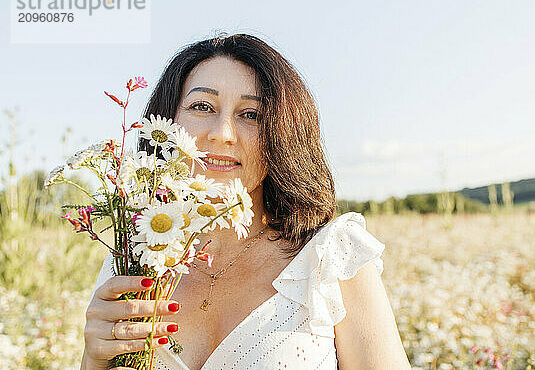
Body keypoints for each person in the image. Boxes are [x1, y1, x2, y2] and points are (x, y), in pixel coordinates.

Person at [80, 33, 412, 370]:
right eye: (202, 106)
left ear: (282, 134)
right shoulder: (131, 261)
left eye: (250, 114)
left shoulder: (333, 260)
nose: (222, 133)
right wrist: (94, 358)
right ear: (168, 122)